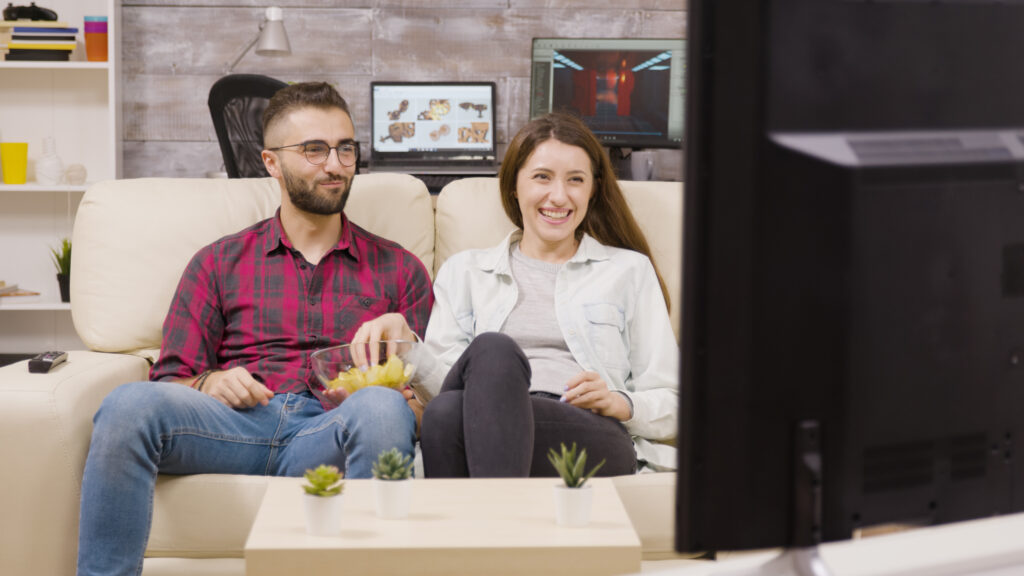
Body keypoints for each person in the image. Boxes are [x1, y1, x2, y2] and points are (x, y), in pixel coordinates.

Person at [76, 82, 433, 575]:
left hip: (331, 430)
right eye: (314, 149)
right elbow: (171, 381)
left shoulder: (399, 268)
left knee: (381, 407)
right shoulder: (218, 262)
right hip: (233, 427)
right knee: (126, 404)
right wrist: (210, 381)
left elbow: (424, 406)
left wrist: (390, 394)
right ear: (271, 162)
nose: (334, 165)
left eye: (345, 148)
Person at [352, 112, 678, 477]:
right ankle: (503, 523)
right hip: (478, 417)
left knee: (462, 396)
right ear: (514, 186)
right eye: (542, 177)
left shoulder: (628, 271)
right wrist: (405, 345)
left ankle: (478, 524)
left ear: (593, 190)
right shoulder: (466, 272)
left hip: (590, 430)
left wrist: (621, 402)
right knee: (467, 384)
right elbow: (444, 390)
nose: (558, 195)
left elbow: (674, 402)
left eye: (575, 180)